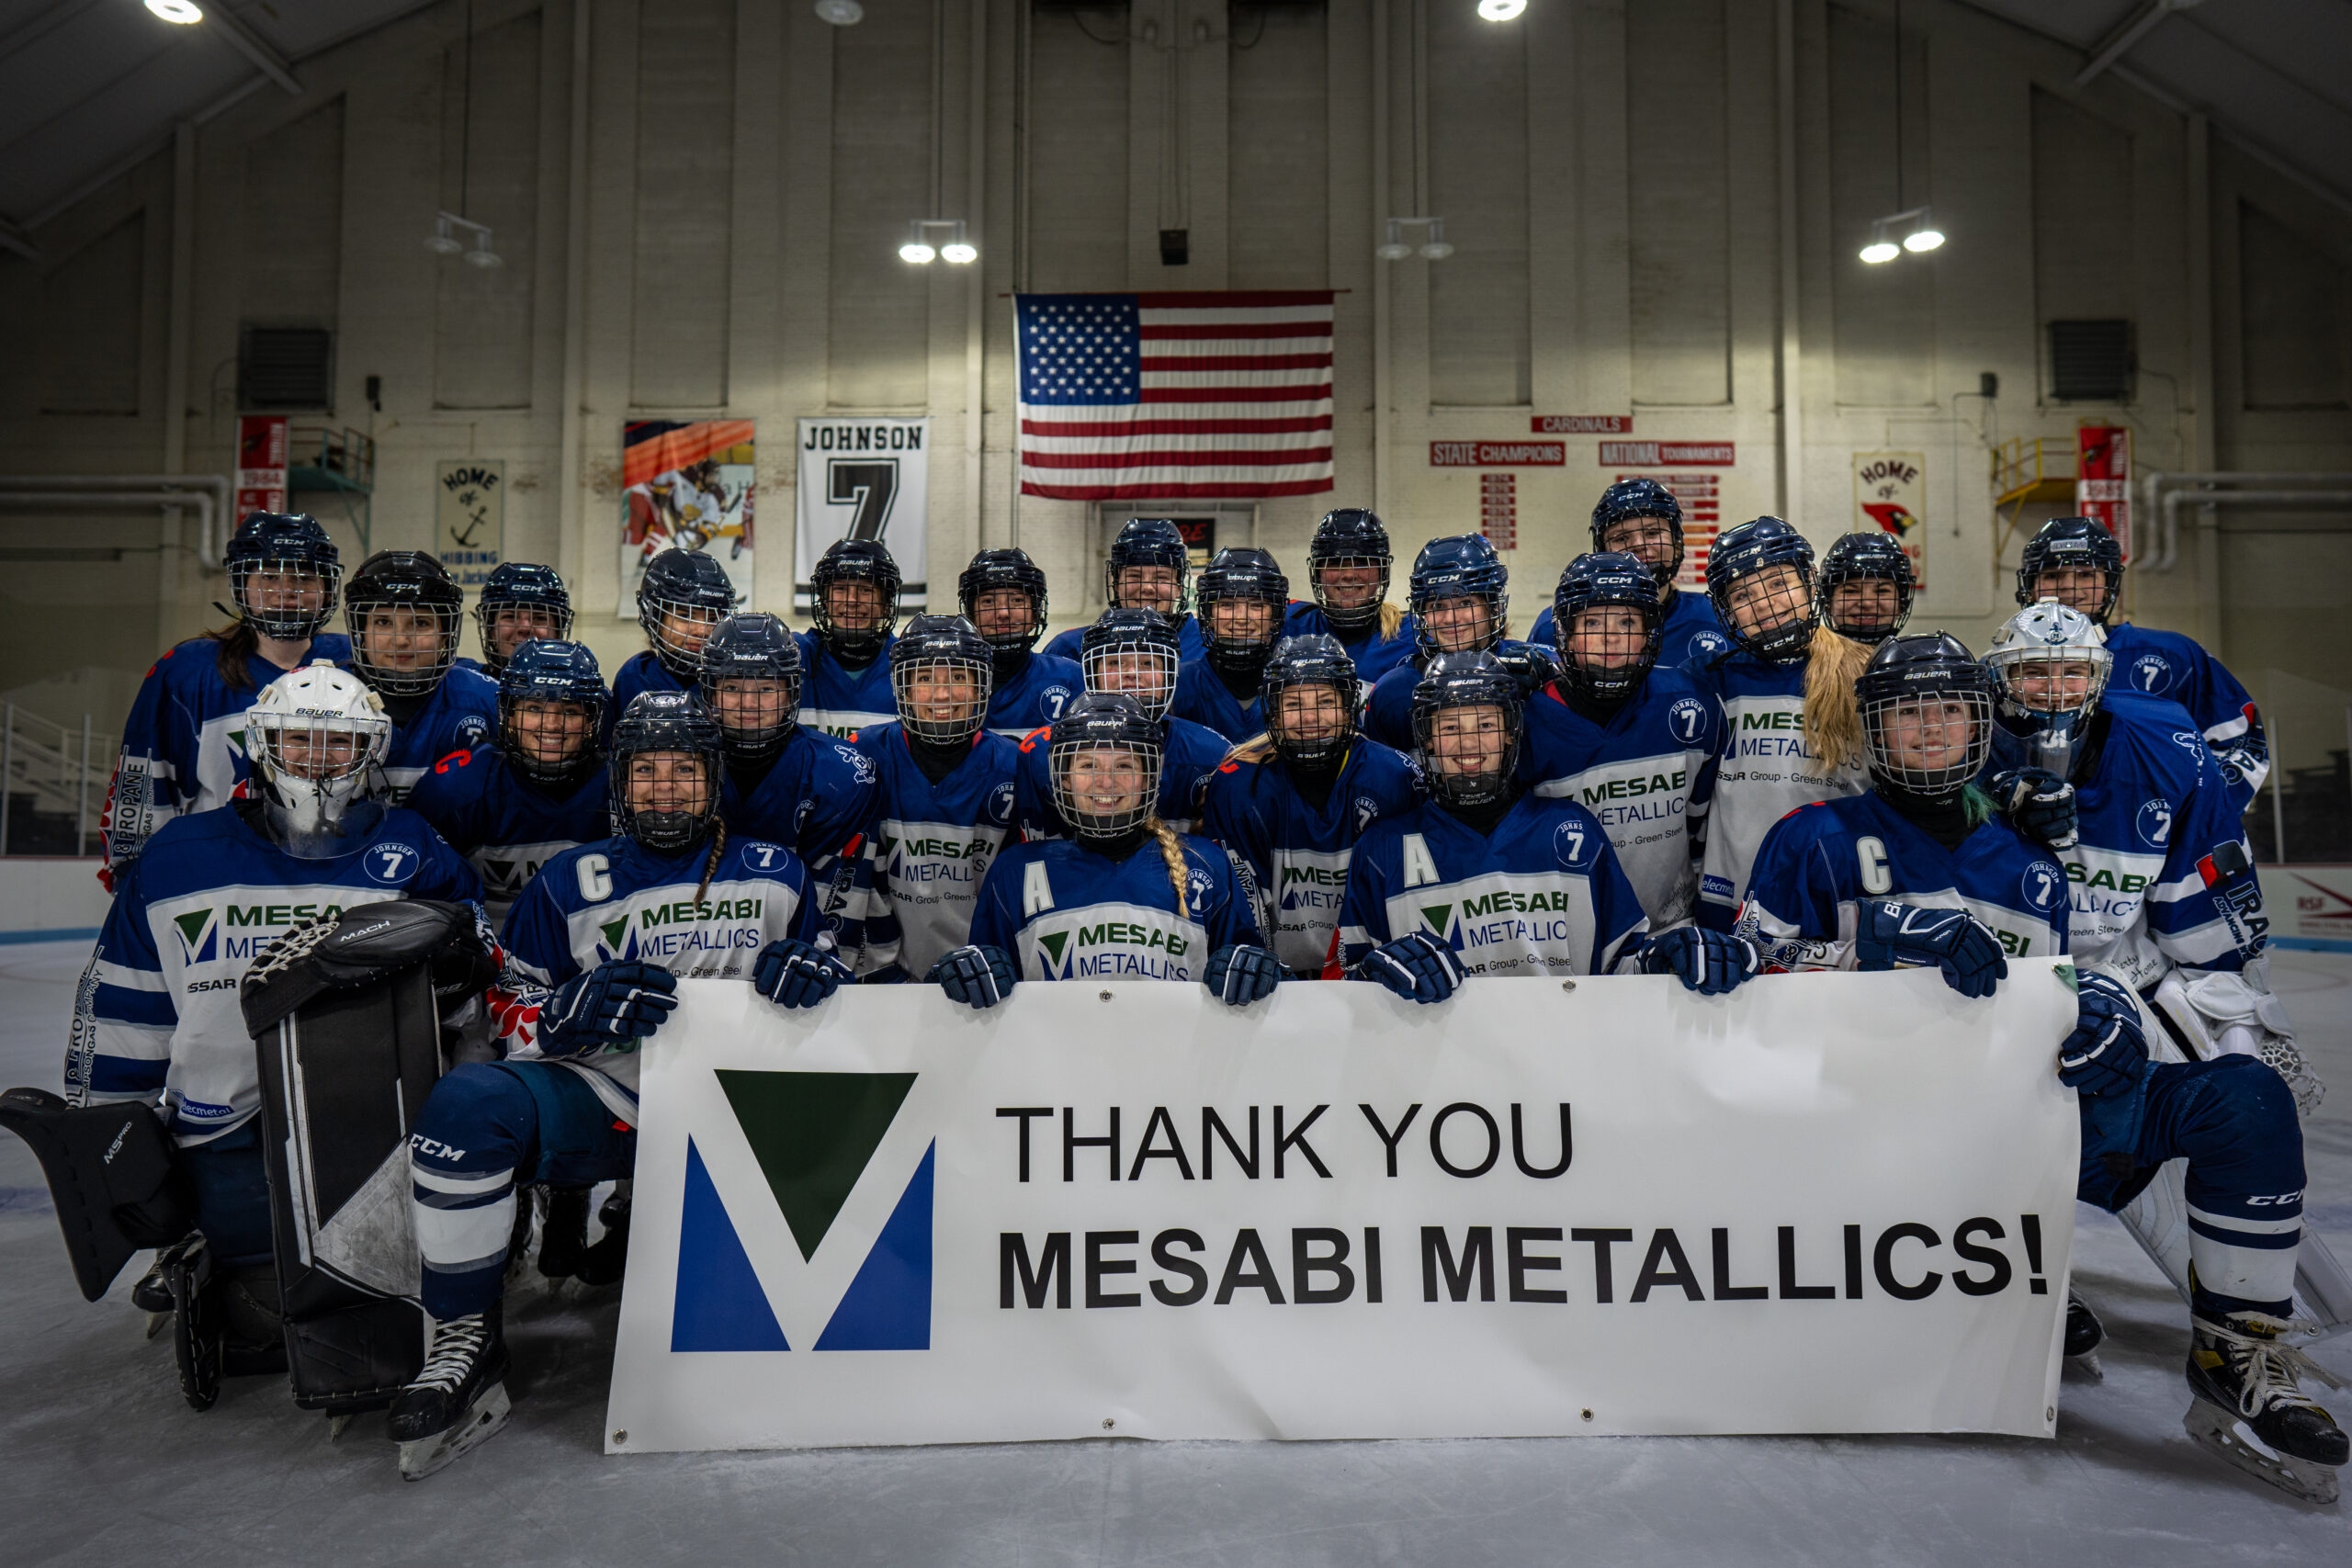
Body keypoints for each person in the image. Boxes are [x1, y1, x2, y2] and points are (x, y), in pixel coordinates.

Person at [1741, 633, 2346, 1504]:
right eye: (1909, 714)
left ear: (1984, 724)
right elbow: (1739, 986)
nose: (1933, 732)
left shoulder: (2031, 861)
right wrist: (1862, 947)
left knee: (2244, 1100)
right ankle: (2001, 1287)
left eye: (1951, 711)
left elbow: (2052, 989)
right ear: (1873, 731)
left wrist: (2101, 1013)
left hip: (2020, 1128)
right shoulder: (1810, 840)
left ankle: (2233, 1348)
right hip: (1870, 1147)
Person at [390, 690, 849, 1477]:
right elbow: (511, 1006)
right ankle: (464, 1334)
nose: (664, 787)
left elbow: (838, 987)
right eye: (645, 772)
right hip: (611, 1099)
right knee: (466, 1104)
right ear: (619, 781)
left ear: (712, 778)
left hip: (750, 1115)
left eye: (683, 770)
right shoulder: (569, 881)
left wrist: (816, 979)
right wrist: (561, 1016)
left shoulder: (777, 871)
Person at [70, 662, 481, 1402]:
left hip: (371, 1125)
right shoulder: (176, 857)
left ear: (371, 747)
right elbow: (125, 1008)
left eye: (337, 742)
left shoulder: (413, 845)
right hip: (221, 1124)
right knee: (261, 1311)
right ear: (262, 743)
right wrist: (110, 1136)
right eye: (299, 740)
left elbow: (468, 993)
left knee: (375, 1301)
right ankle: (209, 1258)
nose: (317, 759)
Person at [1339, 650, 1756, 1001]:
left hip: (1563, 1073)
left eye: (1486, 725)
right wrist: (1368, 979)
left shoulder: (1573, 831)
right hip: (1439, 1081)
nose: (1469, 744)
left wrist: (1663, 956)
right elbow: (1337, 985)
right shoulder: (1381, 851)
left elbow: (1622, 966)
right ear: (1426, 740)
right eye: (1449, 728)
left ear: (1510, 735)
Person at [928, 692, 1277, 1007]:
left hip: (1178, 1067)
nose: (1106, 781)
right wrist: (966, 973)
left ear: (1149, 778)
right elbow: (986, 990)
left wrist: (1255, 966)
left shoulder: (1206, 864)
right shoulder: (1014, 872)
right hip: (1048, 1068)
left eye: (1124, 766)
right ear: (1063, 779)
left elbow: (1248, 971)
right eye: (1088, 766)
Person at [101, 512, 351, 886]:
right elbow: (145, 778)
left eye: (304, 577)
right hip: (218, 877)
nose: (286, 590)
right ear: (242, 584)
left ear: (327, 588)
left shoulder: (352, 668)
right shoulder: (188, 671)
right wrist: (134, 872)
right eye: (269, 576)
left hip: (332, 874)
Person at [1685, 516, 1871, 930]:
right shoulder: (1709, 679)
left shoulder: (1865, 673)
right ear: (1725, 610)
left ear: (1808, 582)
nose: (1764, 604)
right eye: (1743, 594)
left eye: (1776, 584)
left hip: (1840, 899)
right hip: (1731, 902)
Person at [1198, 634, 1420, 977]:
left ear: (1348, 706)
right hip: (1274, 982)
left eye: (1325, 702)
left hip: (1371, 978)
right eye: (1293, 704)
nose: (1310, 717)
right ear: (1272, 711)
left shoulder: (1392, 777)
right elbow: (1243, 907)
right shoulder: (1238, 785)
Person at [1521, 552, 1721, 930]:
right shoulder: (1527, 719)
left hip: (1673, 930)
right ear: (1565, 632)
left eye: (1627, 621)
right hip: (1569, 940)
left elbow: (1703, 831)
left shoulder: (1691, 703)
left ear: (1650, 632)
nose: (1610, 637)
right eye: (1592, 621)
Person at [2017, 514, 2267, 811]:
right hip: (2034, 837)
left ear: (2109, 583)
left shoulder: (2171, 656)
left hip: (2145, 836)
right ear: (2031, 586)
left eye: (2085, 574)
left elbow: (2239, 742)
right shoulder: (2002, 664)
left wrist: (2197, 814)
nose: (2070, 589)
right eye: (2052, 576)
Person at [852, 615, 1027, 981]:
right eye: (926, 678)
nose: (943, 694)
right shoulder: (862, 755)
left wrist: (993, 962)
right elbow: (852, 882)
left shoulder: (1016, 767)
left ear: (983, 686)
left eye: (959, 678)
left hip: (988, 977)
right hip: (885, 980)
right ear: (902, 687)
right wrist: (879, 969)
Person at [697, 613, 878, 953]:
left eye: (766, 688)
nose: (748, 704)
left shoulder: (840, 775)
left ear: (791, 692)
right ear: (711, 692)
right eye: (733, 687)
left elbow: (834, 910)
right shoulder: (679, 766)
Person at [407, 639, 610, 924]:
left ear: (592, 720)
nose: (551, 725)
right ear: (509, 714)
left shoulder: (619, 787)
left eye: (569, 711)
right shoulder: (457, 788)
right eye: (535, 708)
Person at [1018, 610, 1229, 838]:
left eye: (1148, 663)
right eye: (1115, 663)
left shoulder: (1213, 753)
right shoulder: (1040, 750)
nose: (1132, 673)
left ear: (1169, 674)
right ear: (1092, 673)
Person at [1363, 534, 1558, 751]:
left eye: (1465, 602)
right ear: (1423, 614)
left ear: (1492, 606)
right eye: (1438, 607)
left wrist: (1551, 678)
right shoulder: (1392, 694)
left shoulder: (1537, 669)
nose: (1451, 619)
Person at [340, 550, 501, 804]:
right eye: (383, 622)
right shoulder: (321, 700)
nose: (401, 640)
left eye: (421, 623)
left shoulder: (488, 702)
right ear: (361, 631)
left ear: (445, 634)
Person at [1529, 479, 1731, 671]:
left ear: (1676, 541)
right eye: (1622, 538)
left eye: (1652, 533)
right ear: (1601, 549)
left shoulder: (1716, 618)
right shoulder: (1557, 625)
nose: (1639, 545)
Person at [1040, 517, 1205, 665]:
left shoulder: (1207, 644)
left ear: (1178, 587)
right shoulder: (1070, 648)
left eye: (1160, 578)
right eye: (1135, 576)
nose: (1147, 587)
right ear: (1117, 584)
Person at [1280, 508, 1417, 684]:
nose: (1348, 575)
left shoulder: (1413, 635)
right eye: (1335, 563)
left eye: (1361, 564)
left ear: (1382, 573)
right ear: (1317, 574)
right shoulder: (1290, 626)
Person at [958, 547, 1080, 738]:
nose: (1003, 613)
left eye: (1016, 600)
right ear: (971, 615)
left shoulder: (1070, 677)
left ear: (1035, 613)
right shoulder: (950, 682)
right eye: (988, 602)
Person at [1174, 547, 1289, 741]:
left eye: (1257, 606)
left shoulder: (1295, 687)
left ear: (1275, 616)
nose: (1241, 618)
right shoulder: (1178, 685)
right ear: (1208, 616)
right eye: (1227, 605)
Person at [610, 547, 738, 719]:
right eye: (685, 616)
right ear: (654, 618)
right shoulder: (632, 678)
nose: (701, 631)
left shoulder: (735, 683)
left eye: (712, 619)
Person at [799, 537, 902, 737]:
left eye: (866, 590)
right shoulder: (796, 657)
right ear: (825, 601)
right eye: (840, 589)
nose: (852, 600)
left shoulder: (908, 665)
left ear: (886, 604)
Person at [468, 561, 574, 675]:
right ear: (491, 630)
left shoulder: (582, 688)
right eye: (510, 617)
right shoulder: (460, 685)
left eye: (539, 618)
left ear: (557, 633)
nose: (524, 628)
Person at [1815, 531, 1916, 645]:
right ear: (1828, 602)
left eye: (1882, 591)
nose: (1867, 603)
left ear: (1901, 603)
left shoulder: (1920, 662)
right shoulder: (1808, 661)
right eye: (1851, 591)